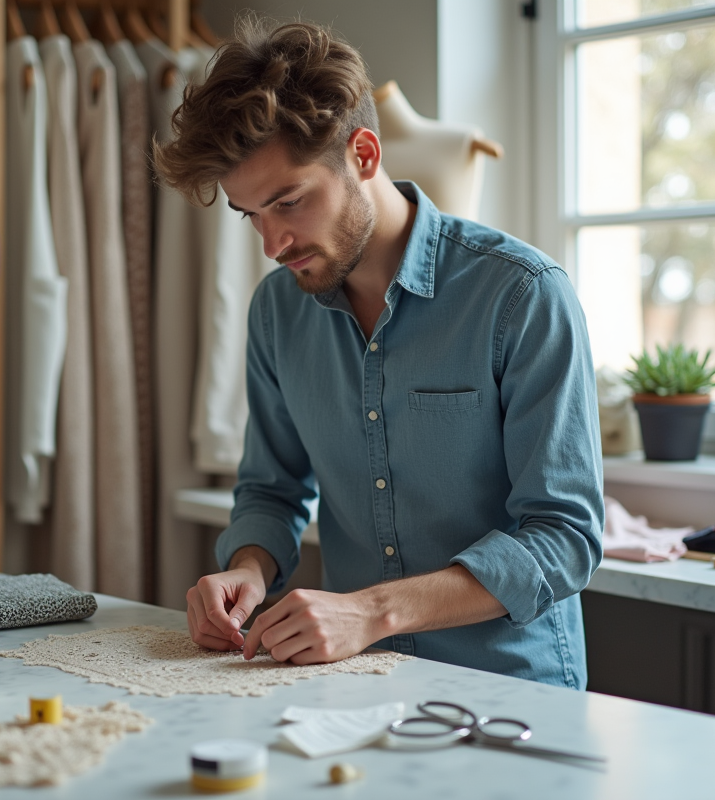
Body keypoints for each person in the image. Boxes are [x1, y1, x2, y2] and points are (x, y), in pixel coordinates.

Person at [153, 18, 604, 689]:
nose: (273, 244)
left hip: (511, 689)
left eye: (290, 201)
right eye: (252, 215)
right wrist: (246, 568)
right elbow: (271, 491)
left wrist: (371, 611)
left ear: (364, 155)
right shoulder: (277, 311)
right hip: (353, 686)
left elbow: (564, 537)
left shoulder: (522, 295)